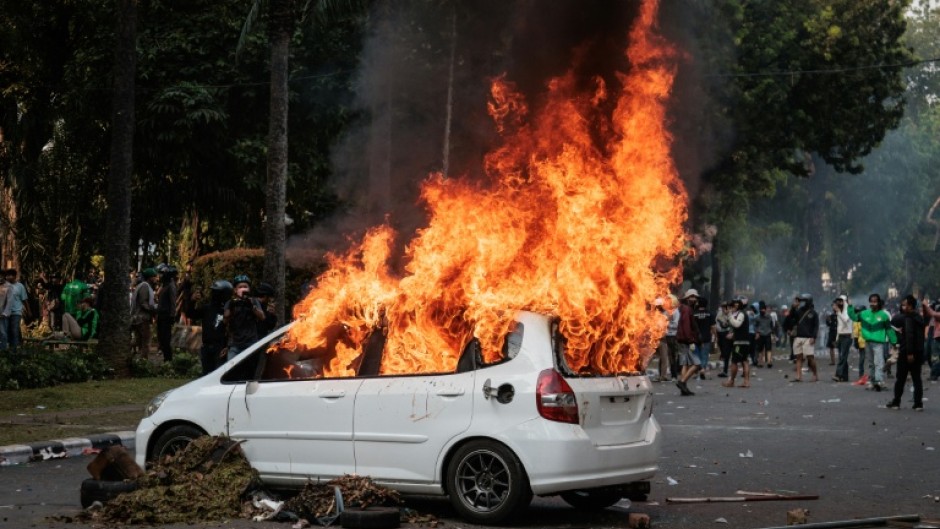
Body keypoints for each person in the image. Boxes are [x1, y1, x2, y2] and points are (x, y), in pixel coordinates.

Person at [848, 293, 896, 391]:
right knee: (871, 363)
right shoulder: (864, 314)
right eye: (871, 301)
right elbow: (853, 317)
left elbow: (889, 330)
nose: (873, 303)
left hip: (878, 343)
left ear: (878, 303)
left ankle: (879, 381)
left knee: (878, 362)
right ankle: (873, 381)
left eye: (875, 301)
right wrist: (849, 306)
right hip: (868, 342)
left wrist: (894, 341)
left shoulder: (884, 315)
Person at [886, 295, 925, 411]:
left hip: (907, 352)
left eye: (904, 305)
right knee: (917, 378)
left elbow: (909, 335)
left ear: (910, 306)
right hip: (918, 352)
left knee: (901, 379)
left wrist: (909, 353)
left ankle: (896, 402)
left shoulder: (907, 318)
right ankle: (918, 403)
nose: (902, 307)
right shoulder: (919, 318)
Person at [223, 275, 265, 360]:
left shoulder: (253, 301)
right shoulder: (231, 302)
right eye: (240, 287)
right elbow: (225, 320)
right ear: (235, 290)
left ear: (249, 288)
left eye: (245, 286)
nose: (243, 289)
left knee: (251, 370)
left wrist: (252, 306)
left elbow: (262, 317)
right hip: (235, 344)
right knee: (231, 369)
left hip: (251, 343)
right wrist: (231, 307)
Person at [198, 280, 232, 375]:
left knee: (218, 374)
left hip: (220, 347)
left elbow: (231, 330)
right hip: (206, 346)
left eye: (217, 293)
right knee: (206, 374)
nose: (214, 295)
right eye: (214, 292)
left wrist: (227, 346)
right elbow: (191, 313)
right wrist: (191, 300)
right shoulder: (207, 308)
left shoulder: (228, 311)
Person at [675, 289, 702, 396]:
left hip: (681, 339)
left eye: (695, 297)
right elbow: (686, 326)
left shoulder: (682, 308)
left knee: (685, 364)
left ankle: (684, 388)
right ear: (687, 298)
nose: (694, 299)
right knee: (697, 364)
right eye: (691, 297)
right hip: (686, 340)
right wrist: (691, 340)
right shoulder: (687, 309)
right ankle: (682, 382)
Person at [722, 298, 751, 388]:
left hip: (740, 342)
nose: (730, 309)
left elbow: (737, 325)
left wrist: (729, 315)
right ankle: (746, 382)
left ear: (736, 306)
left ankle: (731, 381)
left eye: (731, 307)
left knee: (734, 361)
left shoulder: (741, 314)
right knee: (744, 361)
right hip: (743, 341)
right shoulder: (740, 314)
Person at [791, 293, 820, 383]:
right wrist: (793, 307)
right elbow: (791, 317)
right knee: (798, 357)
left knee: (810, 357)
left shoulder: (813, 313)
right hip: (798, 337)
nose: (802, 302)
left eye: (804, 301)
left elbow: (816, 326)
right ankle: (799, 376)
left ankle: (815, 374)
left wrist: (813, 337)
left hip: (808, 338)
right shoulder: (799, 311)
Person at [131, 268, 158, 357]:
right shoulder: (145, 286)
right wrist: (154, 310)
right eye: (154, 277)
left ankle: (134, 358)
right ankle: (143, 362)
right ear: (150, 277)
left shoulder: (143, 285)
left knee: (138, 341)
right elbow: (144, 303)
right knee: (145, 342)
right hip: (142, 319)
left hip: (139, 319)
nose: (156, 278)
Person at [156, 265, 178, 362]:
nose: (159, 276)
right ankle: (166, 358)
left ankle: (168, 360)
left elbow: (173, 302)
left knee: (166, 339)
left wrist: (172, 316)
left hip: (166, 317)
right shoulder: (164, 285)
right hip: (161, 316)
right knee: (161, 338)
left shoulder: (171, 286)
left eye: (161, 274)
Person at [3, 269, 29, 352]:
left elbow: (25, 299)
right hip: (5, 312)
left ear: (14, 276)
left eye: (10, 275)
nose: (8, 277)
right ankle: (10, 348)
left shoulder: (20, 286)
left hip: (16, 312)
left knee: (14, 329)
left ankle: (14, 351)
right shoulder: (4, 286)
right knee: (6, 330)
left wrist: (29, 311)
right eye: (7, 275)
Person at [831, 295, 854, 382]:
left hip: (847, 336)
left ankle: (838, 374)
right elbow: (839, 327)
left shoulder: (848, 310)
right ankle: (844, 377)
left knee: (842, 356)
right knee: (843, 357)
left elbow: (846, 320)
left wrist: (838, 312)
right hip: (841, 336)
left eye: (841, 301)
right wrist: (837, 338)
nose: (839, 303)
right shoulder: (839, 312)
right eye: (838, 301)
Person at [692, 296, 715, 379]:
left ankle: (697, 370)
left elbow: (692, 327)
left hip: (696, 338)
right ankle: (703, 369)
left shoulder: (694, 313)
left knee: (696, 355)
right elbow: (713, 327)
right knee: (704, 355)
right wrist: (714, 337)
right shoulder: (710, 314)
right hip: (706, 337)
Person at [753, 301, 775, 368]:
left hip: (768, 334)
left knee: (768, 349)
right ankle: (760, 362)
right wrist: (757, 333)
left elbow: (772, 325)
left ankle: (769, 362)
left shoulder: (769, 317)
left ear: (765, 309)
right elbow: (755, 326)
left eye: (763, 309)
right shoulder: (757, 317)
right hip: (760, 334)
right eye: (760, 309)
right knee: (760, 349)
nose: (761, 310)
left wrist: (773, 334)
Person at [715, 301, 732, 377]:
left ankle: (725, 370)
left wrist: (728, 314)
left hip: (728, 334)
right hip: (720, 334)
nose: (724, 309)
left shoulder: (731, 314)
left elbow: (730, 324)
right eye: (723, 307)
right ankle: (724, 367)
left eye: (726, 307)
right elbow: (717, 323)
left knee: (727, 352)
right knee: (722, 350)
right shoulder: (719, 313)